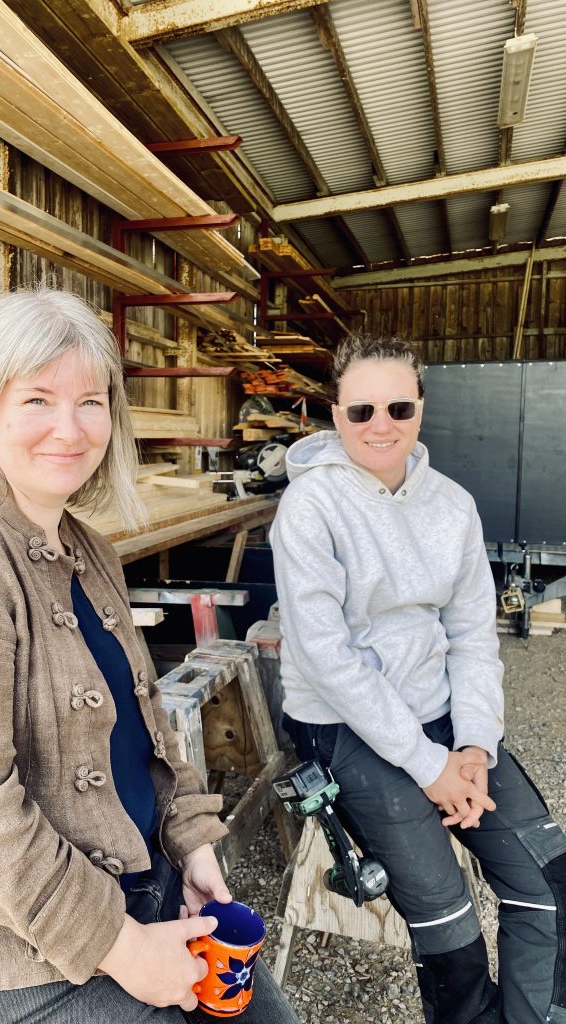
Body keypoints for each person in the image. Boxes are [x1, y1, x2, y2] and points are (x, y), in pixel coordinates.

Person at [0, 288, 300, 1024]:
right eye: (37, 400)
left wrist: (189, 843)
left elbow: (145, 727)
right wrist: (124, 948)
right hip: (5, 951)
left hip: (137, 879)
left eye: (90, 401)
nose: (70, 428)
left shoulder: (89, 550)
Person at [270, 334, 566, 1024]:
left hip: (440, 722)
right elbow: (326, 657)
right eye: (362, 410)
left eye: (399, 408)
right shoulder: (310, 509)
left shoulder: (453, 505)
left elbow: (471, 637)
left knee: (547, 882)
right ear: (335, 413)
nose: (381, 426)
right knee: (450, 924)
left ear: (422, 409)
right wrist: (427, 765)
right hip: (344, 727)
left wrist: (474, 749)